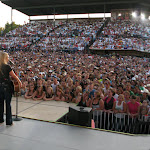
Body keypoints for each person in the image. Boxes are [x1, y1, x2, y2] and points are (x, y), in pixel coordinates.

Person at [0, 51, 22, 125]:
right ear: (5, 58)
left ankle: (0, 120)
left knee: (0, 104)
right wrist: (19, 82)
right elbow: (14, 76)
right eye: (8, 57)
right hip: (7, 87)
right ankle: (9, 121)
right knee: (8, 104)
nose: (9, 58)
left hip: (0, 87)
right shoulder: (7, 67)